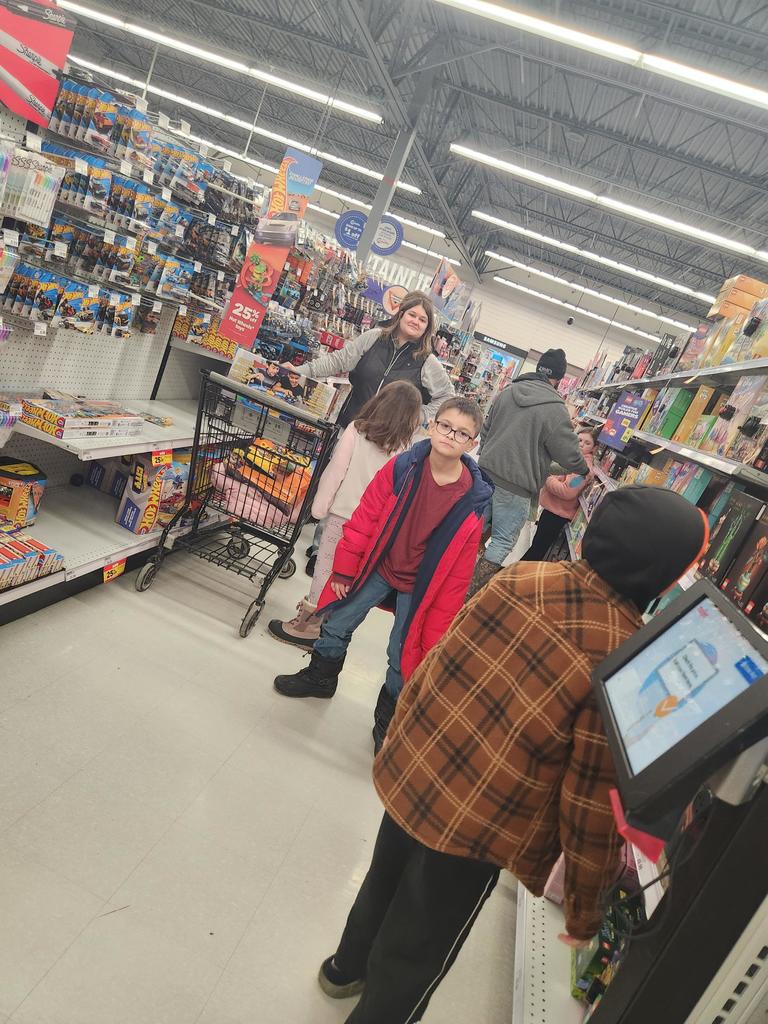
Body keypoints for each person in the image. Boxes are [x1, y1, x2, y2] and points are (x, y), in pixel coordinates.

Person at [315, 486, 709, 1023]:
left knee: (383, 878)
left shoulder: (525, 576)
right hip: (483, 818)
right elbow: (592, 798)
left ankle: (343, 969)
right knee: (422, 940)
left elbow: (444, 661)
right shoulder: (621, 653)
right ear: (661, 572)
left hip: (420, 764)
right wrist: (585, 905)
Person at [273, 397, 493, 752]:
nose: (451, 436)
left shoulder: (471, 499)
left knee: (403, 652)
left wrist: (441, 623)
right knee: (337, 619)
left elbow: (458, 573)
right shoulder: (403, 467)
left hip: (422, 585)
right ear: (432, 425)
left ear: (473, 444)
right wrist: (344, 569)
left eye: (463, 433)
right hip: (378, 565)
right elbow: (365, 518)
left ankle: (388, 719)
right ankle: (320, 677)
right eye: (446, 426)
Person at [268, 381, 423, 649]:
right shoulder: (408, 448)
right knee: (349, 576)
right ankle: (331, 623)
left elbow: (336, 471)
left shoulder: (357, 430)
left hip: (343, 516)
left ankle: (307, 625)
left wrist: (319, 507)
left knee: (326, 569)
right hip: (374, 525)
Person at [471, 347, 588, 593]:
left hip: (483, 477)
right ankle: (471, 590)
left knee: (471, 529)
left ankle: (449, 574)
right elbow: (569, 455)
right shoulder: (555, 409)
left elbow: (486, 429)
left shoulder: (508, 392)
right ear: (558, 379)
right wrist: (580, 467)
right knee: (502, 540)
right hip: (517, 488)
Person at [283, 291, 454, 428]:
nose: (416, 321)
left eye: (423, 319)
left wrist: (419, 416)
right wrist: (298, 371)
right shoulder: (373, 338)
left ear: (427, 327)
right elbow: (337, 361)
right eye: (412, 315)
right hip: (349, 426)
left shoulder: (427, 361)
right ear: (401, 314)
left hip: (387, 442)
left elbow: (447, 397)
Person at [521, 427, 597, 561]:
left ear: (593, 448)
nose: (581, 444)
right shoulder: (574, 459)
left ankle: (515, 576)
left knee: (536, 550)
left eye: (587, 443)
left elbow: (567, 491)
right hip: (553, 510)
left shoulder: (583, 469)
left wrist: (547, 477)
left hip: (556, 515)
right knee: (536, 548)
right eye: (579, 440)